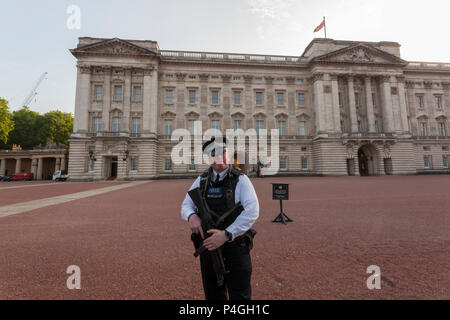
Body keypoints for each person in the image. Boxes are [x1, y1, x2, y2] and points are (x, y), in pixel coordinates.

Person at [181, 137, 259, 300]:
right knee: (213, 295)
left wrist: (225, 235)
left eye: (224, 152)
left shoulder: (241, 179)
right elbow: (186, 205)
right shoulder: (201, 180)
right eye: (215, 154)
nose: (221, 156)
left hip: (235, 246)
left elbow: (252, 211)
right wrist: (191, 216)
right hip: (209, 247)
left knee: (240, 295)